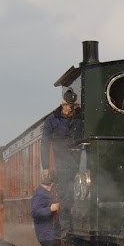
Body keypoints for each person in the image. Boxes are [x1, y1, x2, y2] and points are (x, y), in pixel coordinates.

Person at [41, 88, 84, 230]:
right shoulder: (52, 120)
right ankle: (66, 226)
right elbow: (45, 144)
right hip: (62, 162)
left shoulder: (80, 118)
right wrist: (46, 166)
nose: (72, 109)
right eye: (70, 106)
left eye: (74, 106)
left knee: (80, 192)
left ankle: (79, 220)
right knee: (66, 192)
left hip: (79, 160)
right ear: (63, 105)